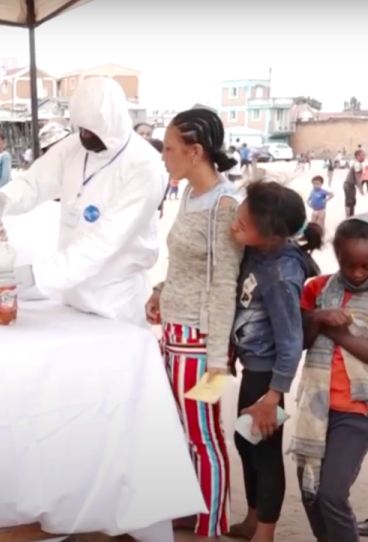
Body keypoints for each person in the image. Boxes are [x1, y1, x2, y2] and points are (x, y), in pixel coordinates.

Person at [0, 77, 167, 326]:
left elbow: (103, 243)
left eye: (90, 130)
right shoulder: (75, 147)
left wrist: (37, 274)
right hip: (71, 297)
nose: (83, 135)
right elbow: (35, 182)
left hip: (115, 303)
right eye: (80, 128)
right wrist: (1, 200)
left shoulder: (144, 165)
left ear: (112, 124)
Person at [145, 108, 242, 538]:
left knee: (205, 435)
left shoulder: (224, 205)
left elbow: (224, 283)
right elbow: (189, 264)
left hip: (200, 341)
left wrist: (218, 359)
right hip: (175, 331)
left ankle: (211, 522)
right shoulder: (189, 194)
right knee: (181, 429)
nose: (163, 156)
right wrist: (161, 291)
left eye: (169, 148)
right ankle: (193, 505)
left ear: (195, 151)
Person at [228, 182, 322, 542]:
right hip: (253, 367)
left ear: (271, 234)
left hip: (266, 376)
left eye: (242, 223)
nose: (235, 226)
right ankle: (253, 519)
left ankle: (264, 533)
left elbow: (290, 339)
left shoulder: (282, 273)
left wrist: (272, 397)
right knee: (245, 443)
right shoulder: (258, 254)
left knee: (264, 451)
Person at [293, 215, 368, 542]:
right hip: (315, 408)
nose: (357, 273)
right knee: (311, 491)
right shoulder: (318, 288)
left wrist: (336, 332)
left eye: (366, 266)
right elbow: (300, 343)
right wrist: (317, 317)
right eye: (349, 264)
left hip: (357, 412)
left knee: (332, 494)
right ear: (336, 254)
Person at [344, 149, 365, 217]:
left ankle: (350, 217)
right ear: (357, 156)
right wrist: (361, 189)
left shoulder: (357, 163)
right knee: (350, 203)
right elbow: (358, 178)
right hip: (349, 185)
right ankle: (348, 218)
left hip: (350, 185)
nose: (364, 157)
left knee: (352, 202)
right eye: (363, 155)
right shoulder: (357, 164)